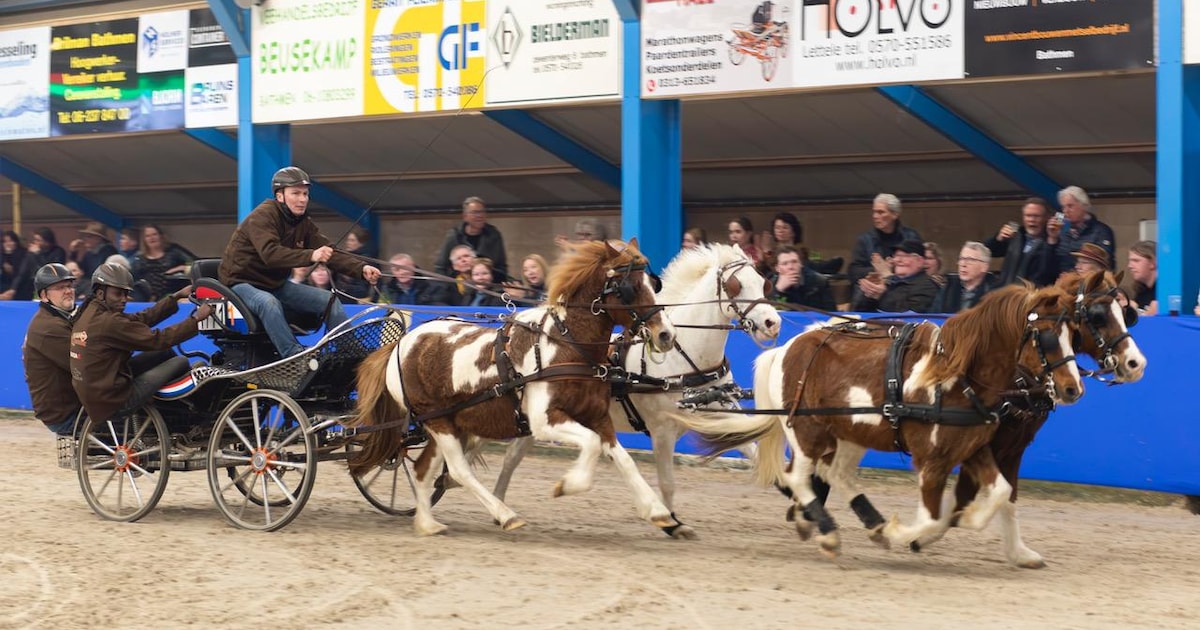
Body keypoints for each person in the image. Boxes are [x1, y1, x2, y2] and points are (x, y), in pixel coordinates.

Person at [217, 166, 381, 358]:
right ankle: (293, 356)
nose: (303, 199)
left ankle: (349, 351)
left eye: (305, 193)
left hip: (274, 284)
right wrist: (311, 255)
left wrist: (361, 269)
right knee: (268, 303)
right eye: (296, 193)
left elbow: (329, 252)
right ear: (280, 196)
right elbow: (271, 255)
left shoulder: (302, 222)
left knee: (328, 300)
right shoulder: (262, 216)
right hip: (240, 283)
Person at [70, 262, 213, 426]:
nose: (124, 299)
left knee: (165, 354)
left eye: (126, 294)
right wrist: (195, 320)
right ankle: (189, 414)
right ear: (101, 293)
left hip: (98, 394)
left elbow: (140, 319)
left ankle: (174, 406)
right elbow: (157, 340)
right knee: (180, 361)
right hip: (114, 401)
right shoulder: (108, 322)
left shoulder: (91, 312)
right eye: (118, 294)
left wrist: (175, 297)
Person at [22, 263, 82, 435]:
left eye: (70, 286)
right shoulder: (47, 327)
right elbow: (83, 362)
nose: (68, 290)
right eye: (60, 287)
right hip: (66, 415)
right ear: (44, 295)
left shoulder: (64, 316)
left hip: (72, 404)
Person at [848, 193, 923, 287]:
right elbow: (854, 272)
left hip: (905, 288)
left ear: (895, 214)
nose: (875, 216)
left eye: (880, 212)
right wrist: (879, 269)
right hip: (872, 291)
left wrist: (893, 268)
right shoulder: (865, 240)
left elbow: (920, 266)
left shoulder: (911, 236)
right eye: (874, 212)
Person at [984, 197, 1058, 287]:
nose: (1031, 220)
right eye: (1028, 216)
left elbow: (1049, 272)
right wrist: (998, 239)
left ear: (1047, 218)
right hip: (1006, 293)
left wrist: (1052, 240)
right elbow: (987, 252)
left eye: (1036, 216)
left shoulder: (1053, 241)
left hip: (1032, 296)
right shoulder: (1015, 235)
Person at [433, 196, 509, 282]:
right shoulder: (454, 235)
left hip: (488, 285)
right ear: (465, 216)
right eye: (475, 212)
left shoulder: (493, 235)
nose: (480, 215)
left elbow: (501, 266)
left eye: (482, 212)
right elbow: (441, 267)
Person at [852, 239, 939, 313]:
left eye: (904, 256)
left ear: (920, 261)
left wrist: (882, 295)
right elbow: (861, 312)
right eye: (896, 256)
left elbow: (911, 314)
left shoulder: (927, 286)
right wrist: (869, 294)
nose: (898, 260)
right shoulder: (889, 282)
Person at [1048, 185, 1115, 275]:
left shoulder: (1101, 232)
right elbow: (1049, 265)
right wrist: (1052, 239)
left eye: (1070, 206)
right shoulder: (1062, 233)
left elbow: (1104, 264)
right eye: (1063, 207)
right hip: (1063, 284)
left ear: (1084, 206)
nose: (1066, 211)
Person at [131, 224, 192, 301]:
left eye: (154, 234)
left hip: (173, 296)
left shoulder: (174, 252)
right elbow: (131, 279)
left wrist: (181, 268)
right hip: (147, 299)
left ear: (161, 236)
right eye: (148, 236)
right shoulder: (139, 259)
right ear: (144, 239)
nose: (151, 238)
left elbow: (194, 263)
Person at [932, 242, 999, 313]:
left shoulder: (995, 292)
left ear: (984, 267)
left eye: (970, 260)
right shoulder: (949, 287)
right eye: (961, 259)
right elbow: (934, 316)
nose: (963, 264)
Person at [768, 245, 835, 310]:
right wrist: (778, 290)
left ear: (801, 264)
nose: (791, 267)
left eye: (794, 262)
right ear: (777, 268)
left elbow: (832, 313)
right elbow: (767, 314)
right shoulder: (770, 284)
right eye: (785, 263)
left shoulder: (819, 282)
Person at [1126, 240, 1157, 315]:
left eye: (1136, 261)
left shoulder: (1165, 292)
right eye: (1130, 261)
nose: (1129, 266)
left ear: (1152, 263)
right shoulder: (1141, 291)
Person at [0, 230, 32, 301]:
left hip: (19, 288)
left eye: (11, 241)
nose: (8, 244)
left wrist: (12, 289)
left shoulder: (24, 254)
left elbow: (21, 274)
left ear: (16, 242)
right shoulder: (2, 255)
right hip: (4, 287)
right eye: (5, 242)